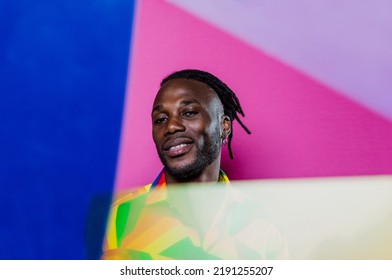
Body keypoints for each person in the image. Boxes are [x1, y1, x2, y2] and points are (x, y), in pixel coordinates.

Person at [101, 69, 287, 259]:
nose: (171, 126)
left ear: (224, 126)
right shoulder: (117, 219)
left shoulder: (264, 225)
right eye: (160, 119)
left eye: (189, 113)